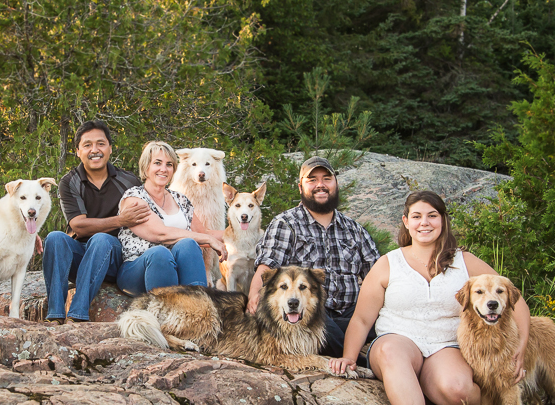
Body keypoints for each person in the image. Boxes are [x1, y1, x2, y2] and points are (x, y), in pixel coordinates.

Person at [328, 190, 531, 405]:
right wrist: (349, 358)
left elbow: (517, 303)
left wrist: (522, 347)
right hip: (397, 340)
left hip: (445, 345)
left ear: (443, 221)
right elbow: (363, 318)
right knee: (391, 353)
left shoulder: (464, 261)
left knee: (459, 392)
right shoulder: (388, 263)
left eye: (432, 216)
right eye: (417, 216)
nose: (424, 223)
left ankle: (422, 386)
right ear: (406, 222)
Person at [247, 156, 380, 357]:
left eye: (327, 178)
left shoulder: (354, 230)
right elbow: (267, 266)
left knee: (383, 321)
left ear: (335, 183)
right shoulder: (286, 224)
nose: (320, 185)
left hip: (352, 312)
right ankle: (362, 361)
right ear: (301, 187)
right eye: (312, 180)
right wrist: (254, 296)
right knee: (319, 324)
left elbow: (377, 274)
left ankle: (348, 343)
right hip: (308, 312)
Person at [41, 120, 148, 322]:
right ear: (78, 151)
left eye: (100, 143)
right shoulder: (69, 182)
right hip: (80, 258)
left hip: (114, 259)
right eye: (87, 145)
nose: (94, 150)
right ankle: (55, 315)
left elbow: (142, 219)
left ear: (109, 148)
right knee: (54, 238)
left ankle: (77, 315)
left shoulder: (128, 181)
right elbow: (78, 226)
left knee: (101, 240)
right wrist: (120, 219)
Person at [116, 140, 226, 295]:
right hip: (136, 271)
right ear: (146, 166)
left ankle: (198, 306)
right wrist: (207, 239)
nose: (163, 169)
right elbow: (161, 234)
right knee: (160, 253)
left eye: (169, 164)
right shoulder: (134, 197)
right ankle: (164, 311)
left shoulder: (180, 199)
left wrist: (243, 235)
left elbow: (204, 233)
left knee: (188, 244)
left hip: (174, 267)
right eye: (157, 163)